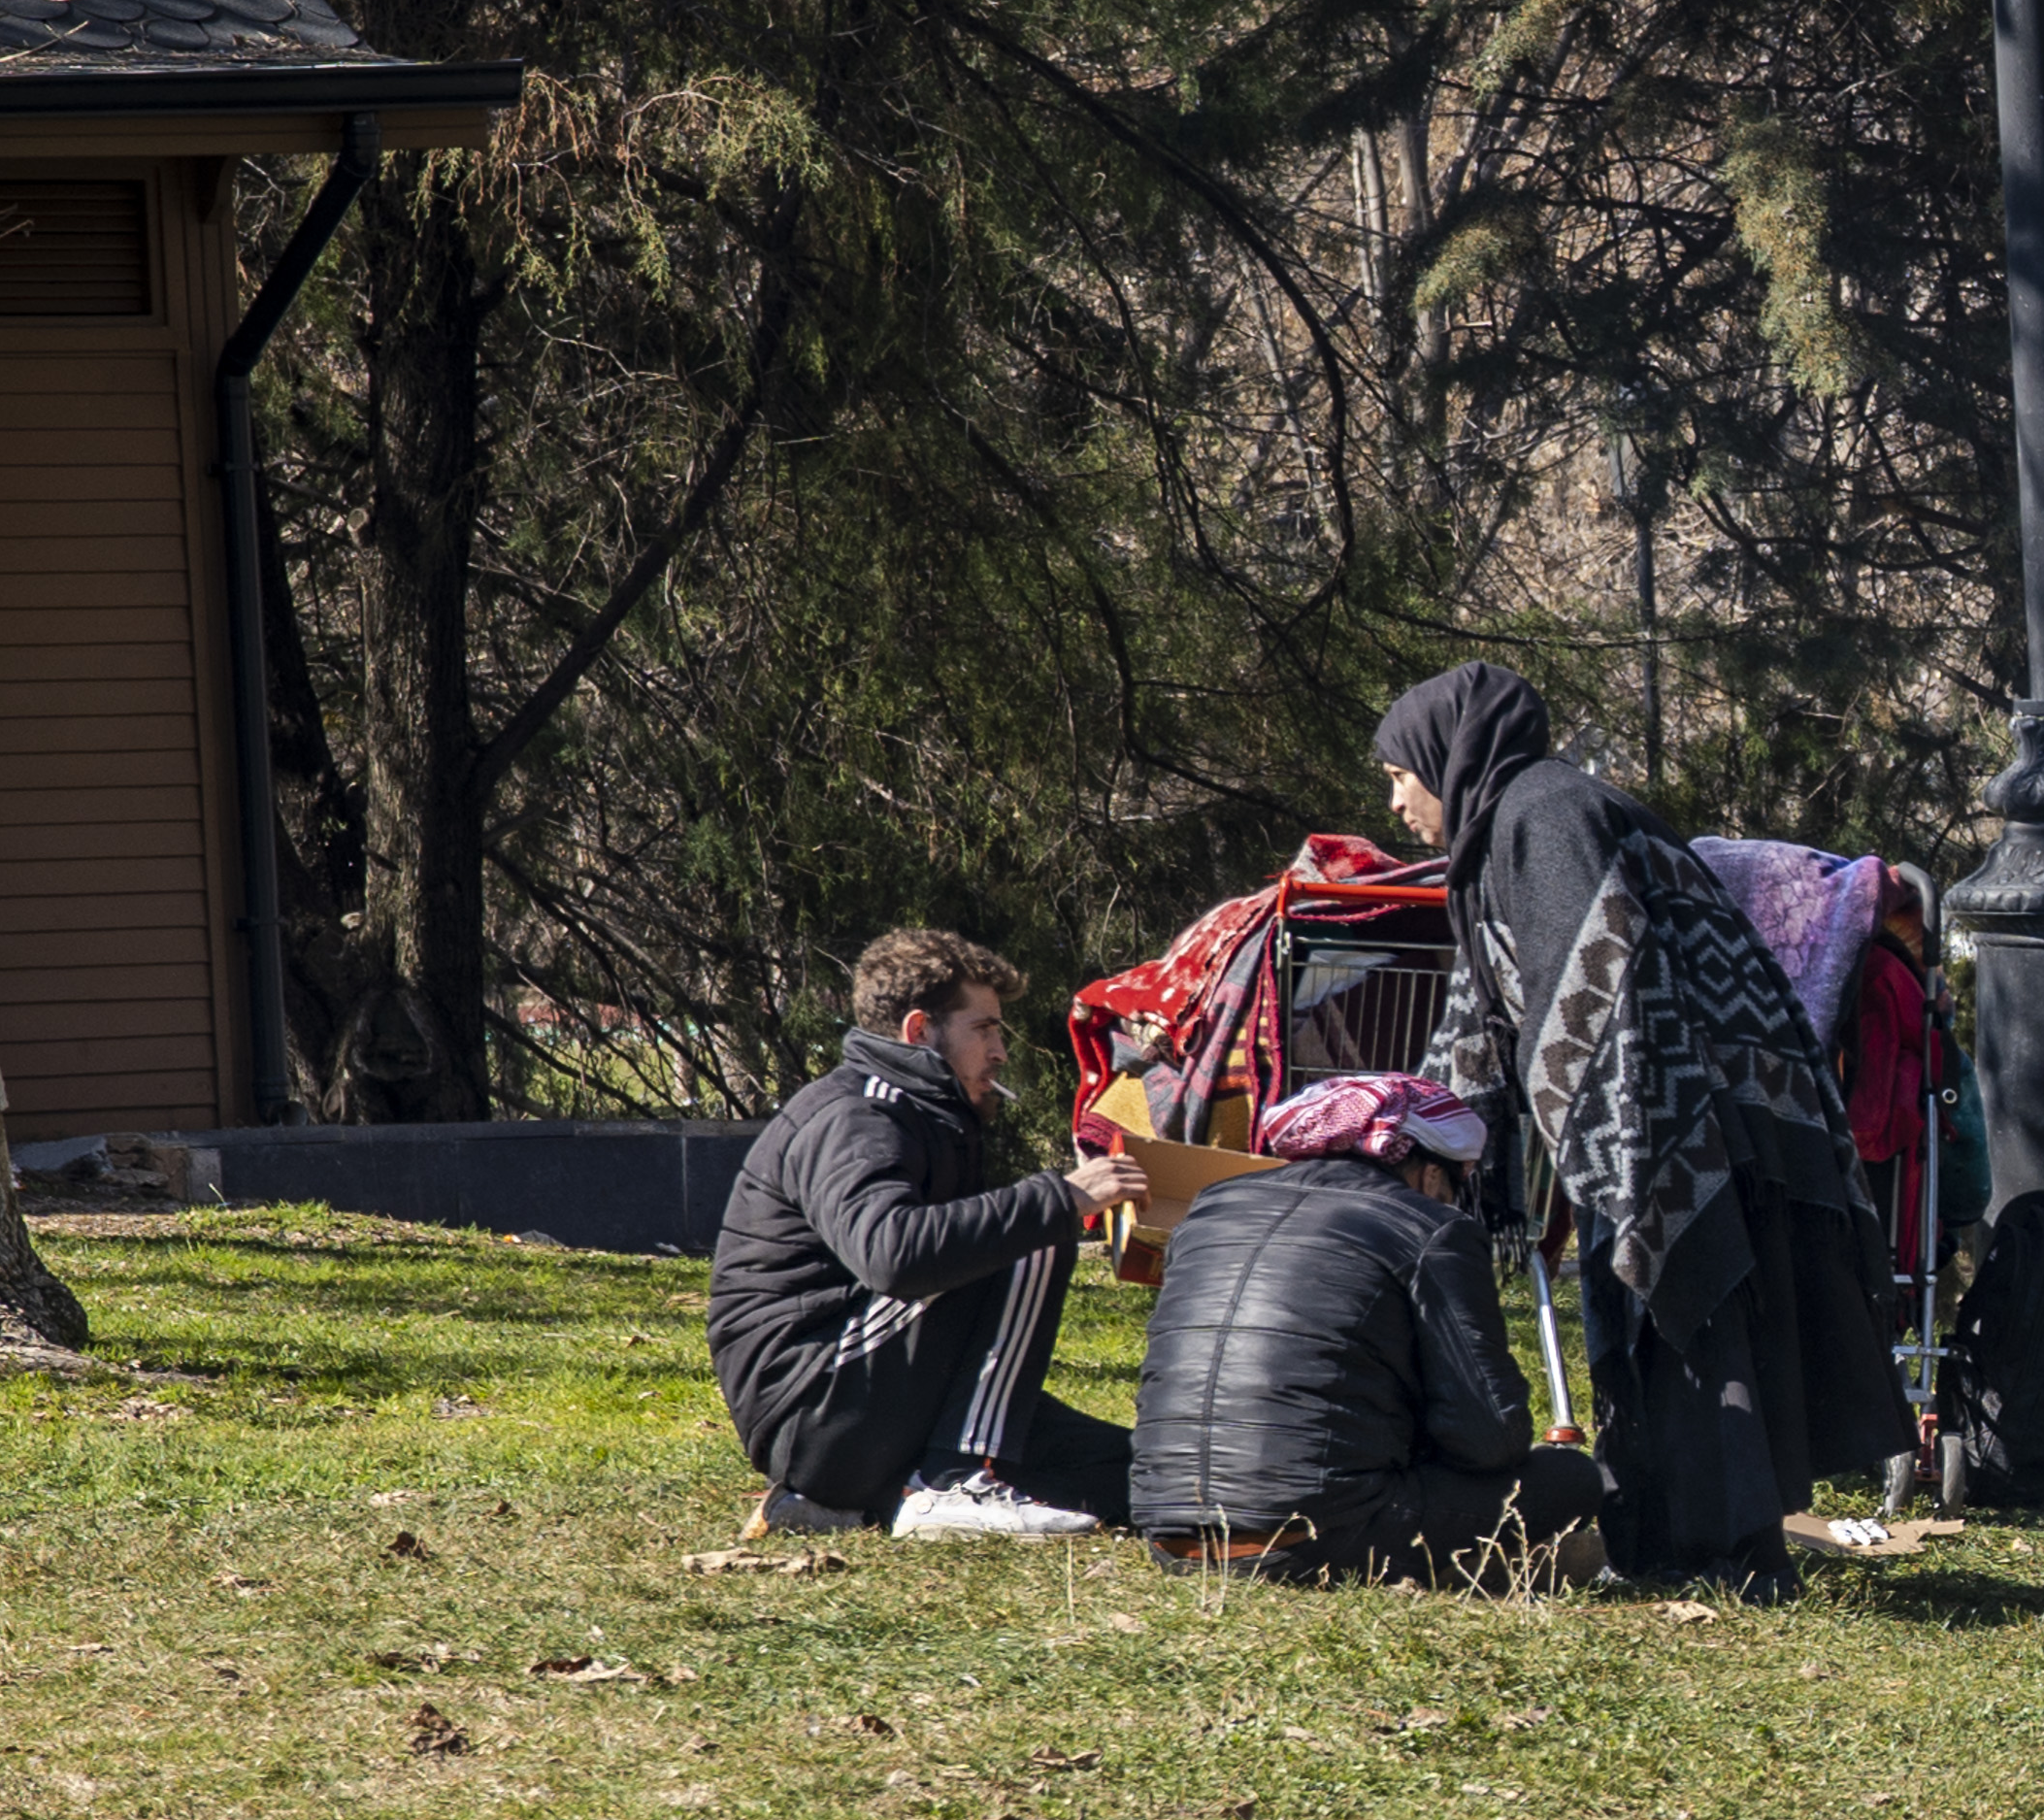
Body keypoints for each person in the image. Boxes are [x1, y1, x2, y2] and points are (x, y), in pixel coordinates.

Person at [1380, 660, 1904, 1596]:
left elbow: (1597, 994)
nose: (1394, 801)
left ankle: (1730, 1554)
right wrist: (1430, 1130)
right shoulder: (1504, 831)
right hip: (1674, 1100)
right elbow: (1496, 1016)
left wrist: (1615, 1157)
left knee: (1690, 1314)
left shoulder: (1543, 813)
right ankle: (1670, 1543)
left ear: (1443, 757)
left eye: (1396, 773)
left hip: (1686, 1101)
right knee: (1661, 1325)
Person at [709, 927, 1138, 1539]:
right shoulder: (858, 1114)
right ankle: (953, 1479)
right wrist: (1062, 1198)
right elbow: (895, 1256)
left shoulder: (931, 1116)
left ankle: (867, 1500)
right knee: (1037, 1234)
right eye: (984, 1029)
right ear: (919, 1032)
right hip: (815, 1405)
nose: (1001, 1052)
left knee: (1135, 1473)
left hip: (881, 1400)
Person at [1131, 1074, 1612, 1580]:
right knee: (1571, 1479)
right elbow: (1490, 1438)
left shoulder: (1210, 1207)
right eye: (1454, 1185)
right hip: (1318, 1537)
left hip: (1168, 1533)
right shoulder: (1432, 1227)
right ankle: (1464, 1569)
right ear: (1431, 1174)